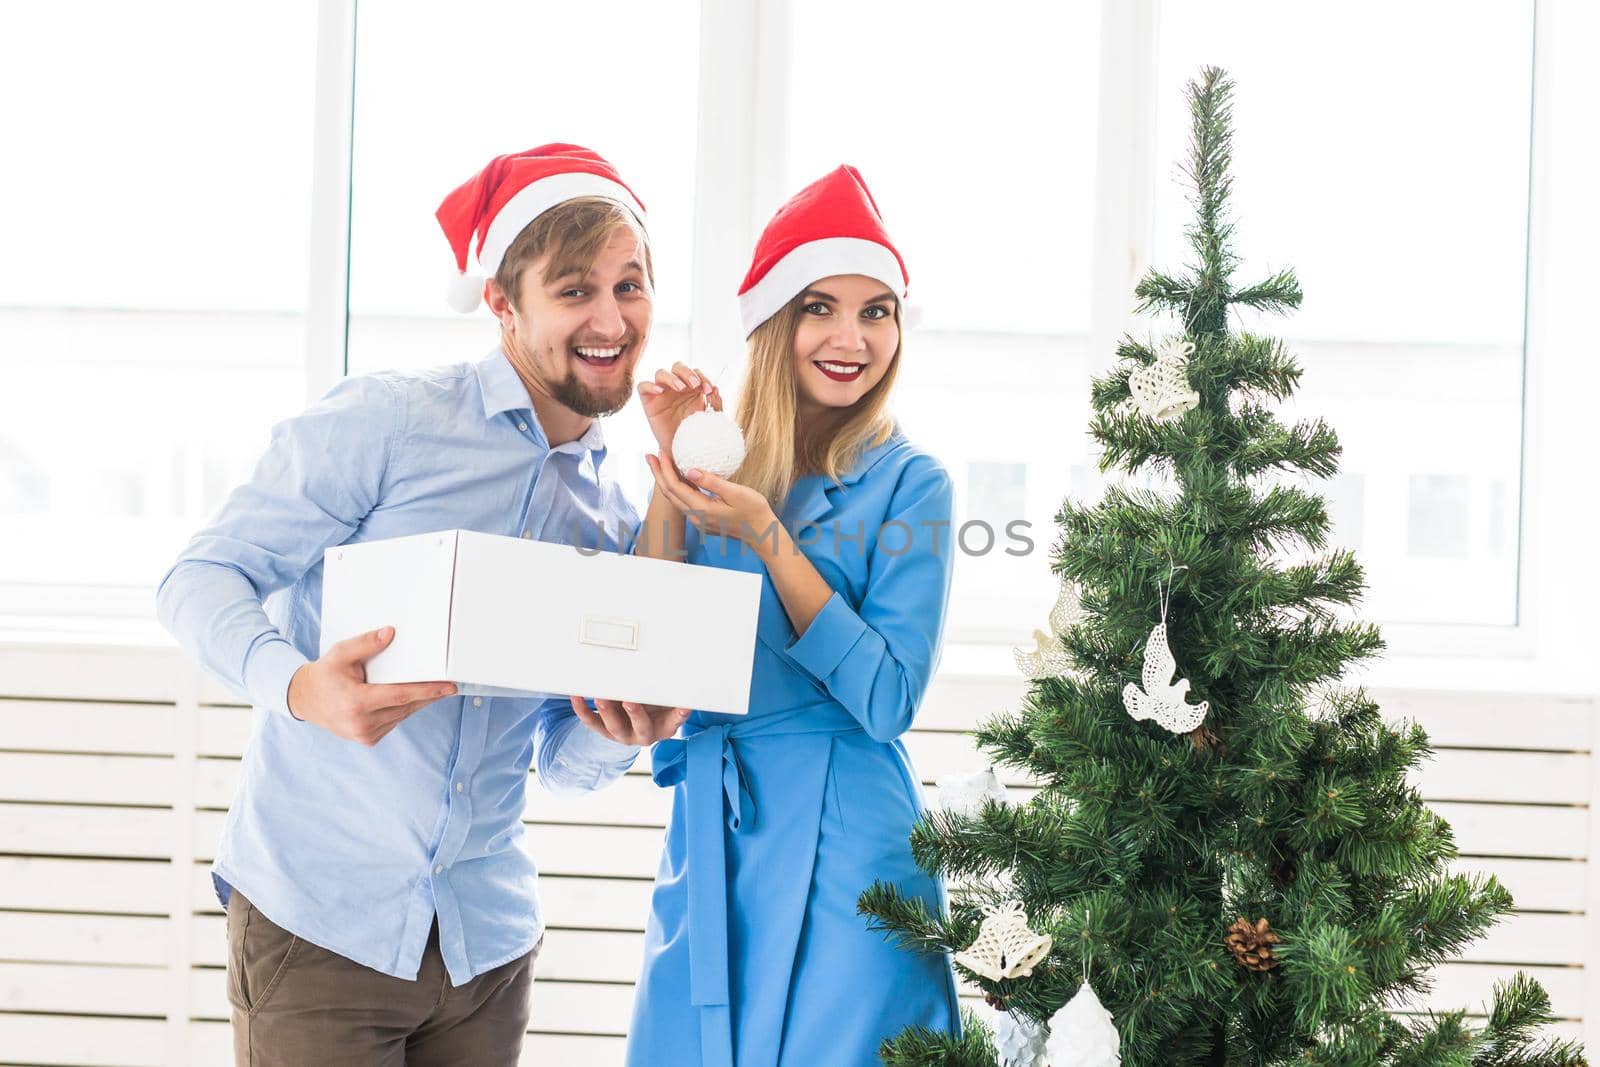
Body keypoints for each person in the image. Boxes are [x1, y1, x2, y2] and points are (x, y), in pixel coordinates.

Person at [156, 144, 686, 1065]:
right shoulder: (389, 422)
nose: (611, 318)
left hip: (486, 946)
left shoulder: (611, 513)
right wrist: (297, 685)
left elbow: (558, 760)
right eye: (573, 290)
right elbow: (199, 578)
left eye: (629, 285)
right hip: (321, 926)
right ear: (501, 303)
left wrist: (621, 728)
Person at [577, 165, 961, 1066]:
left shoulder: (914, 484)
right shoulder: (724, 460)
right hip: (718, 830)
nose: (851, 336)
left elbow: (888, 699)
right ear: (776, 323)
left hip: (852, 847)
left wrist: (766, 536)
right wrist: (674, 471)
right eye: (821, 306)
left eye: (877, 311)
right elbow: (645, 637)